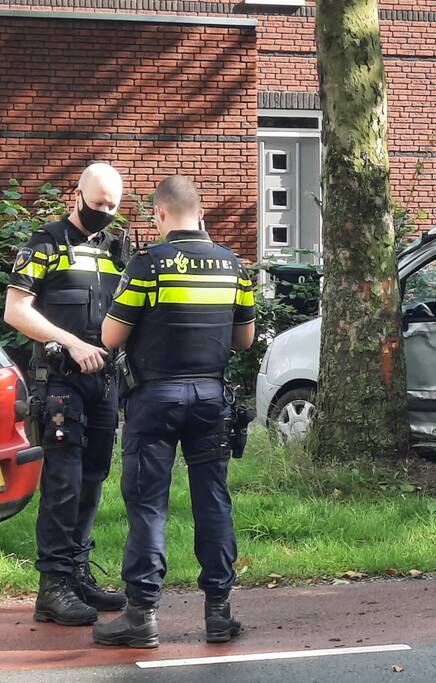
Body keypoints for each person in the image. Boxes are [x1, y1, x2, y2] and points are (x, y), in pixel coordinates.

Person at [92, 175, 256, 649]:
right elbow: (243, 339)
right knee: (214, 501)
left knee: (149, 506)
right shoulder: (233, 266)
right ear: (201, 211)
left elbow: (110, 337)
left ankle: (141, 617)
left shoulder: (148, 265)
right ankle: (219, 614)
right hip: (211, 399)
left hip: (154, 399)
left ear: (160, 214)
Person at [4, 163, 128, 626]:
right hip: (59, 382)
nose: (105, 213)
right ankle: (52, 586)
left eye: (112, 206)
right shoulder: (45, 244)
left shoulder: (118, 248)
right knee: (64, 483)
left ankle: (77, 573)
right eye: (97, 204)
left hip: (104, 383)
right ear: (75, 197)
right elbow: (16, 311)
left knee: (93, 478)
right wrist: (72, 342)